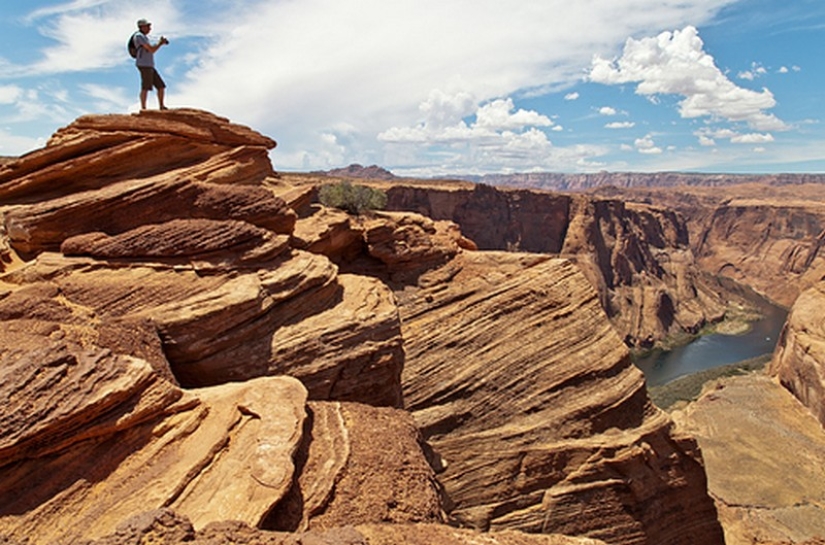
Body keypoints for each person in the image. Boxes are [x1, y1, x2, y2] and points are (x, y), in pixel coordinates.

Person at [133, 18, 169, 110]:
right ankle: (144, 108)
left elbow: (151, 48)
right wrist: (160, 44)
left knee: (161, 86)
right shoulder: (139, 36)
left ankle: (161, 106)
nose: (150, 28)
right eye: (148, 26)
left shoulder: (144, 37)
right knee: (145, 87)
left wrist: (159, 43)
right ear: (142, 27)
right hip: (144, 64)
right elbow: (151, 50)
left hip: (149, 65)